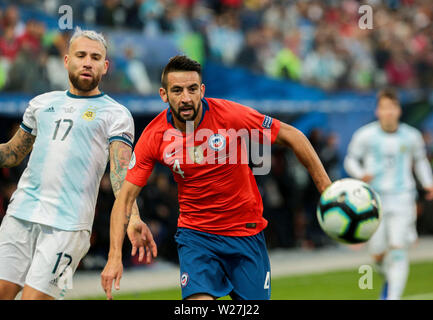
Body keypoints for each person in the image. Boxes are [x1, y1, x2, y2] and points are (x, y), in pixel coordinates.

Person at [101, 55, 332, 300]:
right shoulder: (154, 136)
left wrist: (327, 189)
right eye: (177, 90)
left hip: (245, 234)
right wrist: (114, 257)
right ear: (163, 94)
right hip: (196, 237)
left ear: (202, 90)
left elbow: (293, 135)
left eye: (192, 89)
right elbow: (124, 199)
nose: (186, 98)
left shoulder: (230, 115)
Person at [0, 27, 142, 300]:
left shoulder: (117, 114)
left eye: (95, 58)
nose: (87, 62)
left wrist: (134, 218)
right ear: (66, 61)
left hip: (69, 228)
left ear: (105, 66)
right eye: (81, 55)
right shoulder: (41, 103)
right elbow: (13, 152)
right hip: (20, 216)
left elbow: (121, 176)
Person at [344, 88, 433, 300]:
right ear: (378, 111)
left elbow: (420, 160)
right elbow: (350, 159)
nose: (388, 112)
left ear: (398, 110)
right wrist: (361, 174)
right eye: (384, 108)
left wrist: (428, 183)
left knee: (398, 249)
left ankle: (392, 297)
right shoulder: (365, 135)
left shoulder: (411, 136)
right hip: (373, 201)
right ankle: (390, 281)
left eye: (392, 108)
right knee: (378, 254)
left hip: (403, 198)